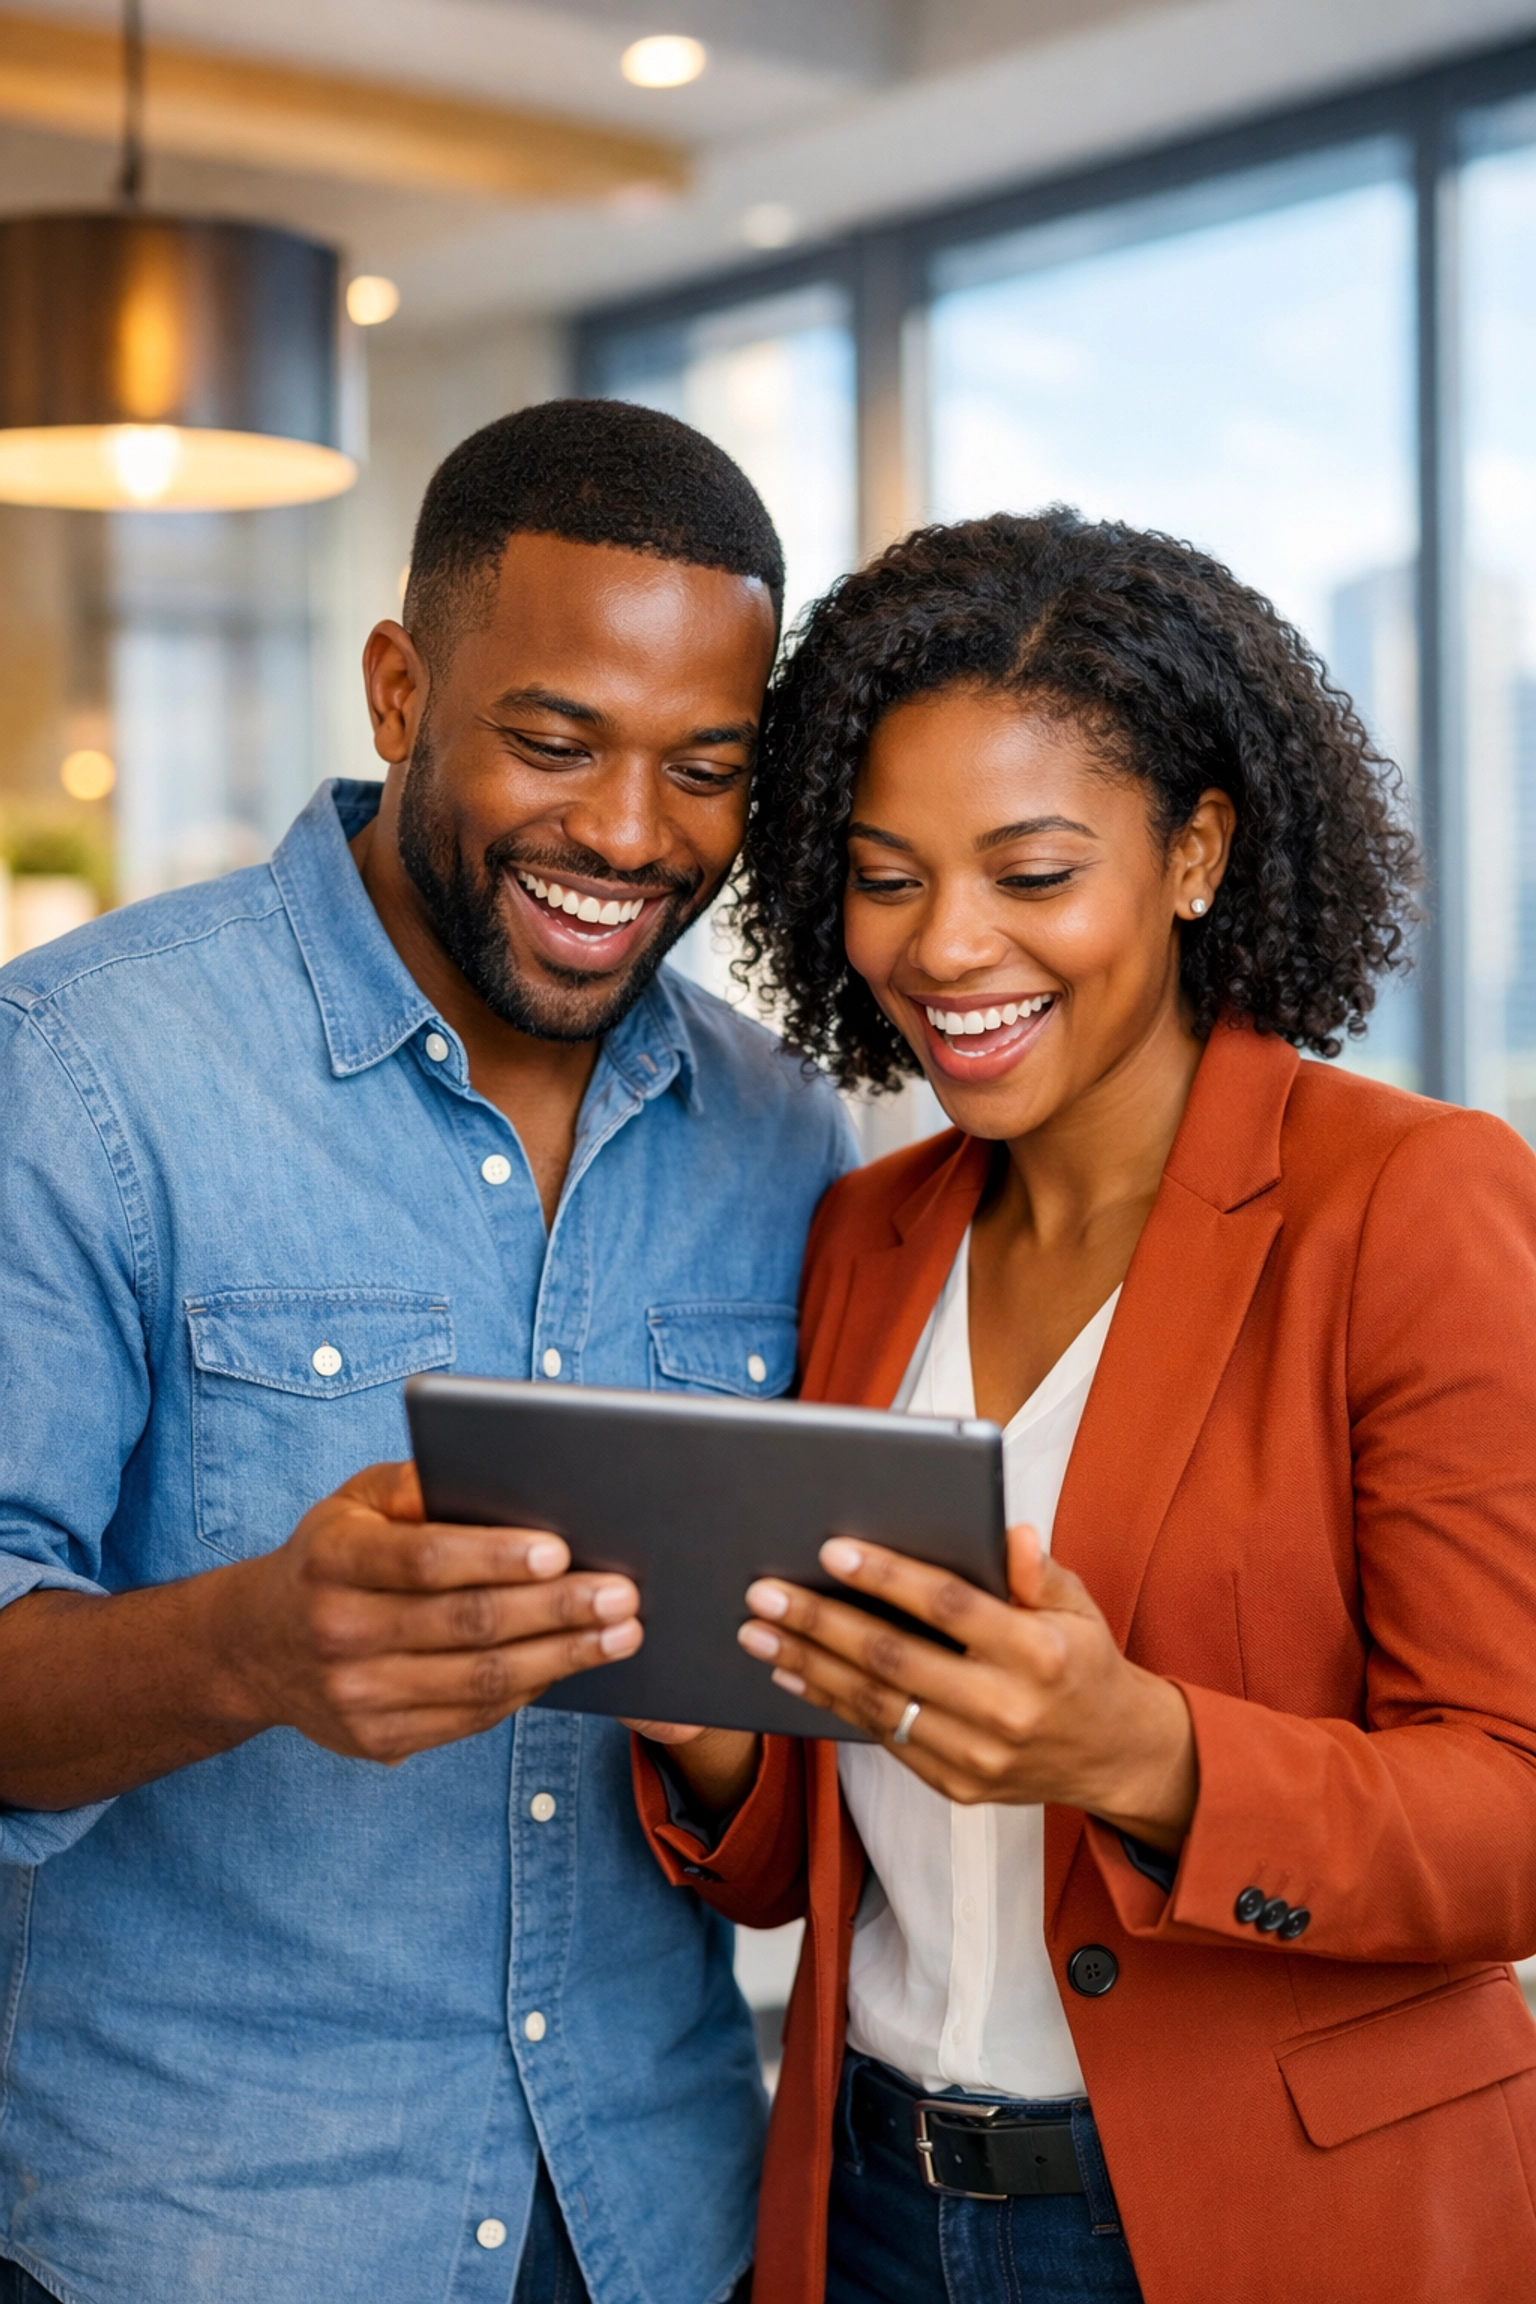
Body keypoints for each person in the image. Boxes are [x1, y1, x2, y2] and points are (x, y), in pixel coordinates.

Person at [0, 398, 853, 2304]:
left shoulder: (787, 1133)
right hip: (209, 2235)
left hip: (657, 2225)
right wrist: (246, 1647)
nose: (630, 838)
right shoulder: (77, 1075)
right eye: (554, 741)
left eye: (704, 768)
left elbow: (788, 1749)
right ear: (399, 691)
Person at [634, 509, 1536, 2304]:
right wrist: (702, 1705)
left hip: (1258, 2221)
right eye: (886, 877)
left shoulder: (1409, 1201)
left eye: (1032, 874)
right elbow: (814, 1861)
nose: (946, 947)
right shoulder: (864, 1236)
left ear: (1196, 852)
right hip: (871, 2197)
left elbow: (1515, 1808)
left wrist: (1142, 1752)